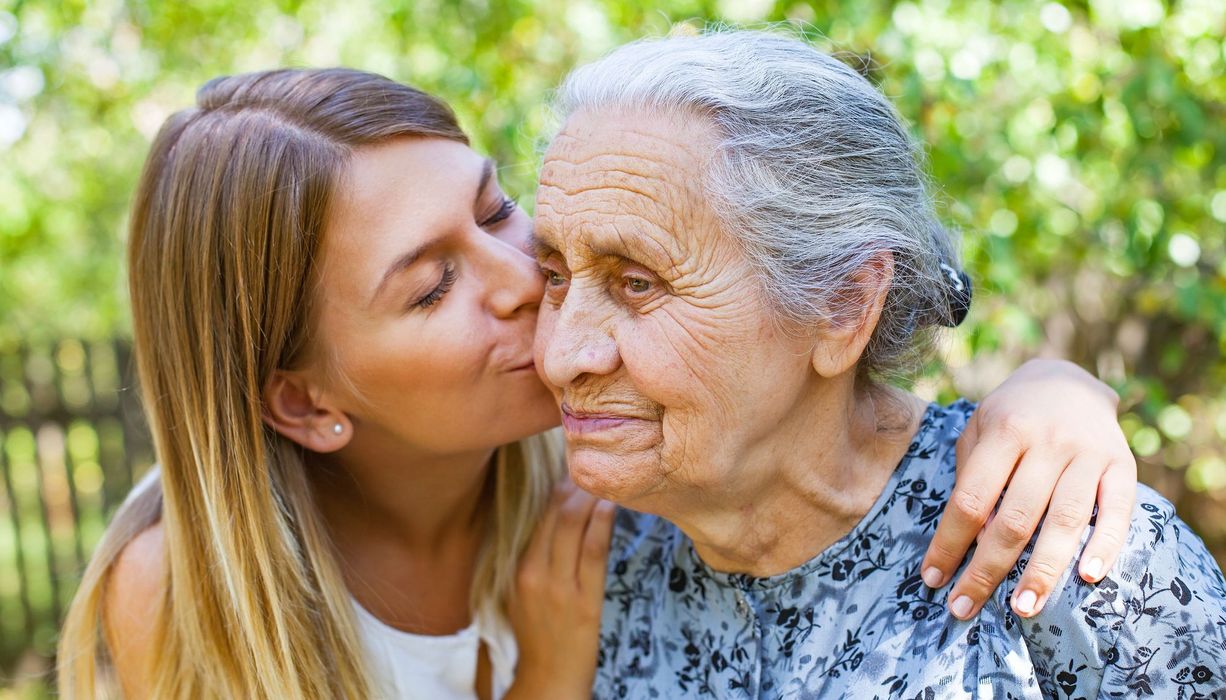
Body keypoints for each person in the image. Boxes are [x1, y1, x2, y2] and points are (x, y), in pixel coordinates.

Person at [59, 67, 1138, 700]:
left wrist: (1056, 389)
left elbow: (814, 376)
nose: (529, 285)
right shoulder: (190, 593)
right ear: (303, 402)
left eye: (492, 212)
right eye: (432, 288)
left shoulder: (626, 462)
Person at [532, 30, 1226, 698]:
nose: (562, 355)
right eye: (556, 276)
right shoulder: (582, 560)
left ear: (842, 306)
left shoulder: (1079, 552)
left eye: (638, 283)